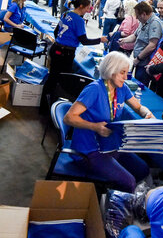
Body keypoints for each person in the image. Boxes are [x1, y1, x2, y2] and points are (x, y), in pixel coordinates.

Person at [63, 52, 154, 192]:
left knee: (143, 169)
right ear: (111, 71)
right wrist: (95, 127)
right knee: (129, 182)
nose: (126, 77)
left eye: (127, 73)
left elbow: (138, 107)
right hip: (89, 151)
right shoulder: (94, 89)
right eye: (122, 73)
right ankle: (114, 208)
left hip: (110, 145)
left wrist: (146, 113)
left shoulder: (122, 88)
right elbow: (69, 117)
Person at [40, 0, 108, 114]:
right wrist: (100, 40)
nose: (89, 9)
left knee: (52, 77)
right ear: (81, 6)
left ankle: (44, 106)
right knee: (61, 80)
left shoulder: (66, 13)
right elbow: (84, 41)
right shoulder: (79, 20)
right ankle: (54, 109)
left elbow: (56, 31)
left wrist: (63, 40)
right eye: (88, 7)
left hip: (56, 48)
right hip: (65, 54)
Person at [125, 1, 163, 86]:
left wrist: (138, 58)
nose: (137, 18)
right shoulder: (143, 22)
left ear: (144, 14)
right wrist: (123, 40)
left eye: (138, 16)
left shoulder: (154, 23)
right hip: (139, 62)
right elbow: (135, 36)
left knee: (140, 87)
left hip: (145, 63)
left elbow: (152, 45)